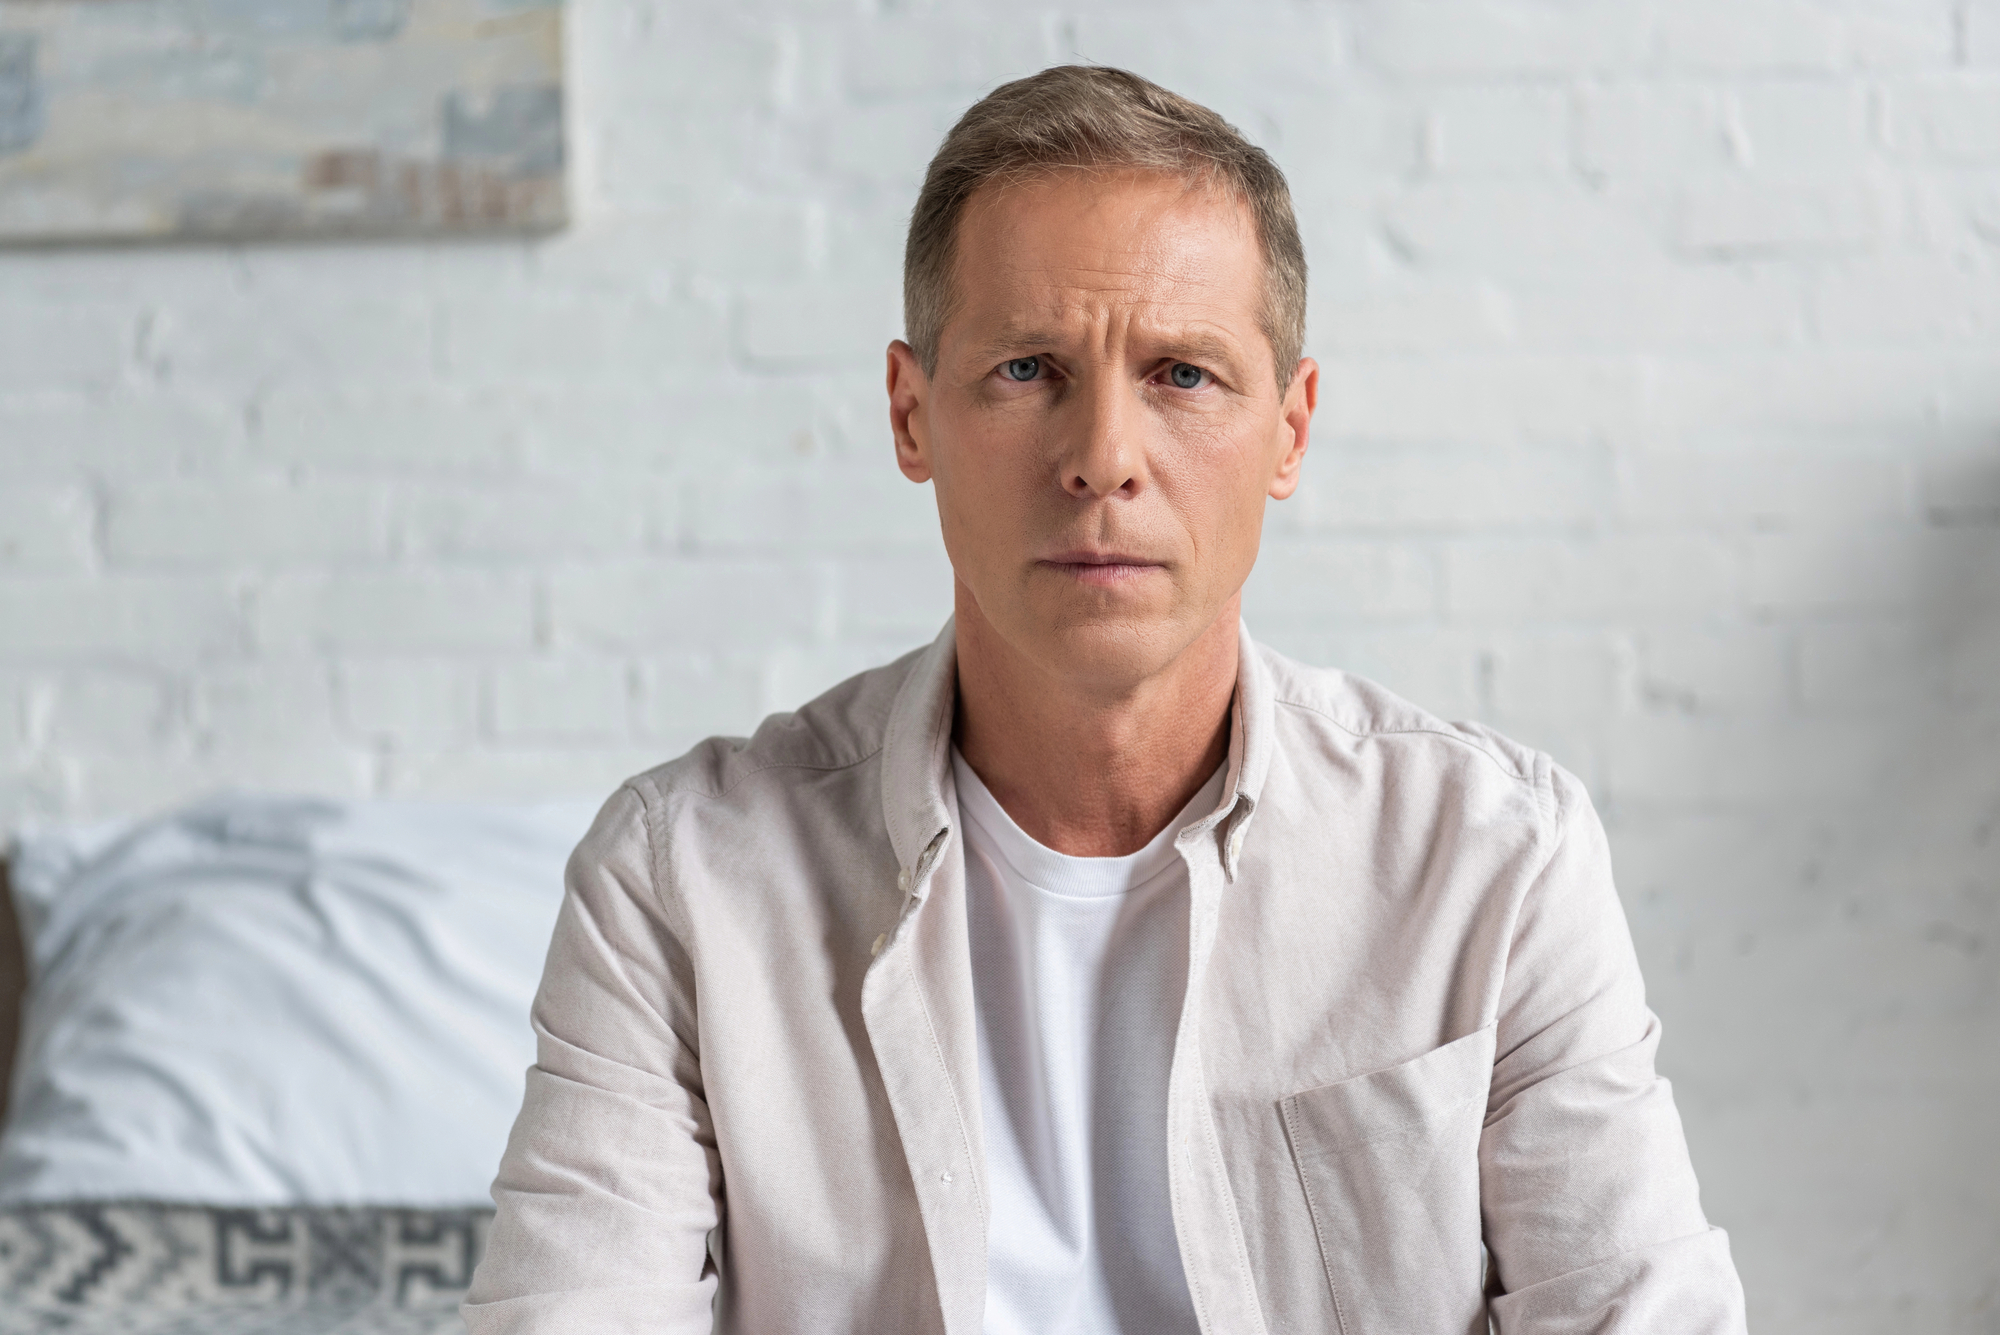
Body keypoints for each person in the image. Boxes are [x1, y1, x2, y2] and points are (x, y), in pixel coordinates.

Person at [463, 65, 1748, 1335]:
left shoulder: (1490, 861)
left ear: (1289, 431)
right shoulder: (682, 878)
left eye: (1181, 375)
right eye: (1027, 370)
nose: (1101, 462)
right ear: (911, 417)